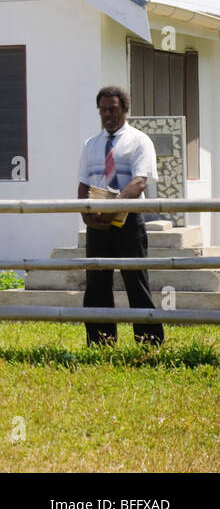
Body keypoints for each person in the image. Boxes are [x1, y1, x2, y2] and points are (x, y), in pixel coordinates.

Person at [78, 86, 164, 347]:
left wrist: (114, 208)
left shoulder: (139, 141)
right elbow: (83, 185)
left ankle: (149, 342)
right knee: (96, 283)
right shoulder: (90, 145)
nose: (108, 114)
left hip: (129, 222)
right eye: (103, 109)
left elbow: (139, 182)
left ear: (124, 110)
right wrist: (87, 215)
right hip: (98, 223)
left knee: (135, 281)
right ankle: (100, 342)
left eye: (113, 109)